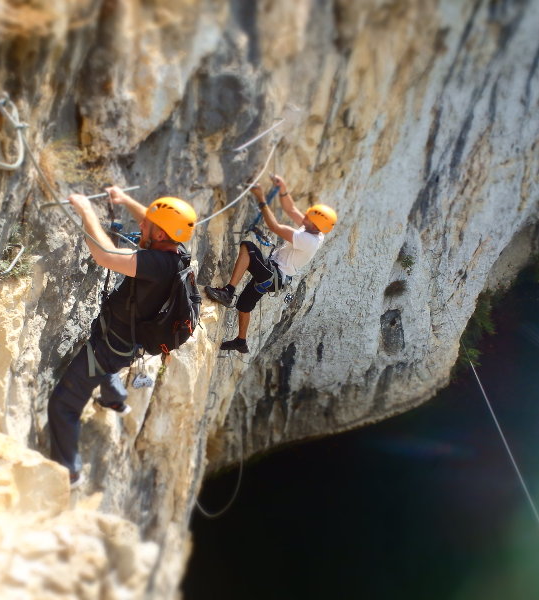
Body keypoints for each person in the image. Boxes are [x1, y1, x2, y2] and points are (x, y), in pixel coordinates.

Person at [47, 187, 197, 487]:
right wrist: (126, 201)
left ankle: (70, 471)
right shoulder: (175, 252)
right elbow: (154, 222)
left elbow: (105, 255)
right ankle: (116, 399)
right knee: (105, 367)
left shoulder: (156, 265)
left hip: (109, 347)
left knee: (63, 405)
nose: (141, 225)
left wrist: (86, 210)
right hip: (127, 342)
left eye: (147, 226)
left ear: (159, 235)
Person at [203, 174, 337, 353]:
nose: (303, 219)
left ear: (316, 225)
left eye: (308, 219)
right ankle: (241, 341)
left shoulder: (308, 240)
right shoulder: (315, 231)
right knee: (244, 305)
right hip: (274, 278)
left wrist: (261, 199)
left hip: (274, 274)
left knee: (248, 248)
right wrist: (283, 189)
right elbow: (290, 210)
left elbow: (275, 227)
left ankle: (228, 291)